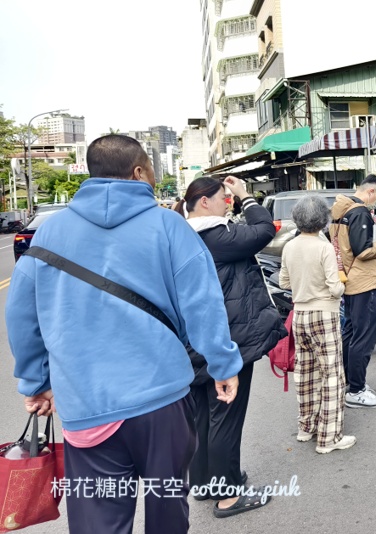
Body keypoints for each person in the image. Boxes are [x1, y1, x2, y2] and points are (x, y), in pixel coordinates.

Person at [6, 134, 242, 534]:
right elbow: (202, 303)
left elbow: (22, 315)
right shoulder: (169, 226)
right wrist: (223, 364)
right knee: (168, 508)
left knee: (99, 520)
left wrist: (37, 382)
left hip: (87, 403)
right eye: (150, 168)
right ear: (137, 172)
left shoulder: (50, 233)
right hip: (162, 397)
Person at [177, 176, 286, 517]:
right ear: (205, 203)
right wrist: (246, 197)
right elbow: (265, 229)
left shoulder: (179, 236)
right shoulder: (217, 236)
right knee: (226, 415)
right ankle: (227, 495)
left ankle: (206, 482)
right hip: (226, 339)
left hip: (190, 340)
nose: (228, 201)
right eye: (223, 197)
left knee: (202, 416)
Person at [280, 195, 356, 454]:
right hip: (324, 314)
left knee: (306, 373)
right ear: (323, 220)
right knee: (332, 374)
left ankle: (306, 427)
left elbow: (284, 283)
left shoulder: (290, 246)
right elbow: (335, 288)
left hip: (299, 316)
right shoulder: (323, 247)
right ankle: (329, 438)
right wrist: (341, 286)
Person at [330, 175, 376, 408]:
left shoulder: (341, 210)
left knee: (350, 333)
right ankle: (356, 390)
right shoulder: (359, 213)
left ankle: (349, 382)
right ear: (370, 192)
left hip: (350, 281)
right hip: (364, 282)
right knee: (364, 337)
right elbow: (362, 250)